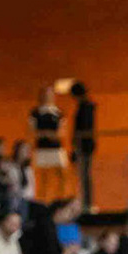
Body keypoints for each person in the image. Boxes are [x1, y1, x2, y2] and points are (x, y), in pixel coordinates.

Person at [29, 84, 66, 204]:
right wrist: (47, 134)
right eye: (45, 94)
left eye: (50, 94)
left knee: (61, 175)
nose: (47, 97)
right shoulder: (35, 113)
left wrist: (47, 133)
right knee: (43, 177)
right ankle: (43, 201)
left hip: (56, 148)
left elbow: (61, 133)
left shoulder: (58, 113)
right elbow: (33, 132)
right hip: (41, 149)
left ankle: (60, 200)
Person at [70, 81, 97, 210]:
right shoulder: (87, 106)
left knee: (85, 174)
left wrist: (76, 145)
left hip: (84, 145)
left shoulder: (85, 107)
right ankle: (86, 202)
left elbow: (83, 128)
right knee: (85, 175)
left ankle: (87, 203)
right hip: (85, 144)